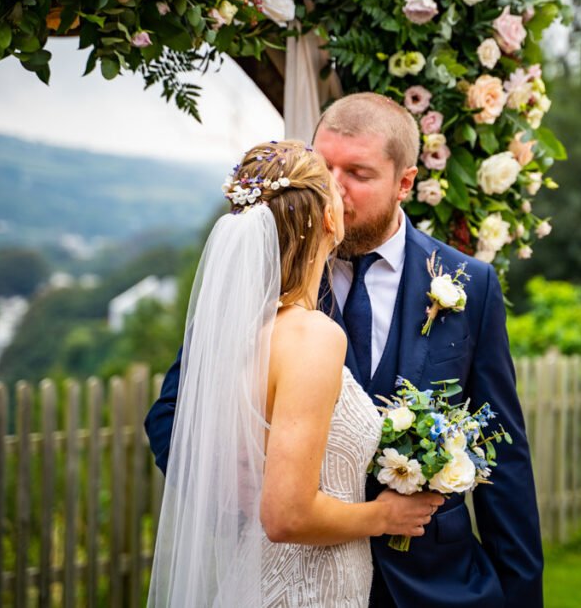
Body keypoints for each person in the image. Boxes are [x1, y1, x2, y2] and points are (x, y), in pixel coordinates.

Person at [147, 93, 544, 607]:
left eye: (357, 172)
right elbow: (172, 415)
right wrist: (256, 504)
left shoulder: (471, 285)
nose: (333, 187)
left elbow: (502, 454)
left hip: (436, 583)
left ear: (405, 182)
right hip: (297, 575)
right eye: (323, 164)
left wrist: (521, 594)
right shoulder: (256, 289)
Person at [147, 139, 442, 607]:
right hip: (305, 587)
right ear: (329, 219)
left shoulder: (238, 332)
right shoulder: (311, 337)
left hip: (261, 573)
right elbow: (287, 516)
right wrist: (384, 516)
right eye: (333, 190)